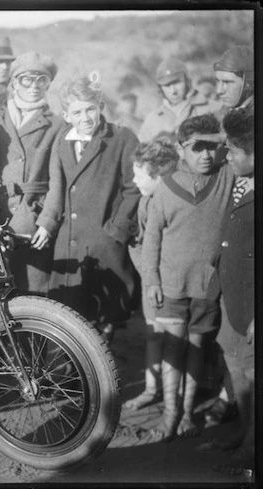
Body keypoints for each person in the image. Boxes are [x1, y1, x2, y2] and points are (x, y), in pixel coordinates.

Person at [141, 113, 235, 441]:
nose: (207, 154)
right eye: (198, 147)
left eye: (214, 146)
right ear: (181, 150)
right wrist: (151, 280)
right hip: (171, 285)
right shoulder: (166, 188)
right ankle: (170, 413)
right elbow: (151, 237)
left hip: (209, 284)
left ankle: (188, 412)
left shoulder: (228, 177)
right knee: (172, 347)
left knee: (198, 347)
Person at [35, 74, 141, 343]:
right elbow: (57, 189)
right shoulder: (61, 141)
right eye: (77, 112)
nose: (85, 118)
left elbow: (133, 188)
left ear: (100, 106)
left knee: (105, 325)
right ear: (66, 115)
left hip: (104, 244)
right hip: (69, 244)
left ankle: (102, 381)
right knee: (70, 323)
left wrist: (115, 232)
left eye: (91, 109)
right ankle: (72, 380)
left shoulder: (122, 138)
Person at [202, 107, 254, 476]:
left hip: (252, 307)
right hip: (233, 299)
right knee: (237, 369)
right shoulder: (241, 180)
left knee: (254, 376)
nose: (228, 156)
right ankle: (245, 433)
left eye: (234, 150)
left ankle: (254, 447)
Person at [0, 51, 63, 293]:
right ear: (14, 83)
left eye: (41, 80)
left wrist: (47, 222)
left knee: (34, 292)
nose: (35, 86)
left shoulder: (57, 125)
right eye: (27, 80)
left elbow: (57, 180)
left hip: (33, 215)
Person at [123, 140, 178, 410]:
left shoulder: (176, 201)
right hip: (152, 283)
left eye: (139, 174)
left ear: (159, 177)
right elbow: (138, 244)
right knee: (155, 335)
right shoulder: (145, 203)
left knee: (179, 339)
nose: (133, 180)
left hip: (177, 282)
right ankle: (151, 388)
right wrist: (149, 277)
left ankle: (174, 397)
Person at [138, 57, 219, 142]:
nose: (173, 91)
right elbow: (142, 151)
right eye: (167, 85)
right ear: (160, 88)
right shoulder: (153, 119)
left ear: (187, 81)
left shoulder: (211, 108)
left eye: (177, 82)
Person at [214, 46, 253, 117]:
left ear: (248, 83)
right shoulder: (217, 117)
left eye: (227, 82)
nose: (219, 91)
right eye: (217, 82)